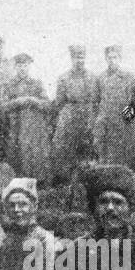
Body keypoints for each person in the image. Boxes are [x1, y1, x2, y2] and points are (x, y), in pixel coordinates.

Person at [92, 45, 135, 179]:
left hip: (125, 123)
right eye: (109, 58)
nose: (112, 60)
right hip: (108, 123)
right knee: (110, 157)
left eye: (115, 57)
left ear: (120, 58)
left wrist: (130, 112)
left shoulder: (129, 76)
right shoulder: (100, 78)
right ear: (106, 59)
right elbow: (95, 102)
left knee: (129, 156)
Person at [51, 45, 99, 186]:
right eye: (77, 57)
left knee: (87, 150)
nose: (80, 60)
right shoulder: (64, 78)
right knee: (65, 150)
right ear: (72, 58)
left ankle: (85, 182)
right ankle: (66, 183)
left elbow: (96, 100)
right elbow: (59, 102)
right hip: (69, 115)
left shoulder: (93, 77)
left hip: (87, 114)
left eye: (82, 57)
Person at [1, 54, 53, 184]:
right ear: (15, 67)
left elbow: (47, 104)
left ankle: (38, 183)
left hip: (34, 128)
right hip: (16, 127)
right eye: (19, 65)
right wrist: (17, 101)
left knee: (35, 155)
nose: (22, 68)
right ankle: (18, 183)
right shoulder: (9, 84)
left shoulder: (36, 83)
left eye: (25, 65)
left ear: (29, 66)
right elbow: (3, 106)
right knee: (17, 155)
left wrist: (33, 100)